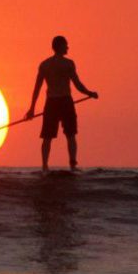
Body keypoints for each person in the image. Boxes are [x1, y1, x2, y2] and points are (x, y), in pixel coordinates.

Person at [25, 36, 98, 173]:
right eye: (66, 45)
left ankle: (45, 166)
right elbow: (77, 84)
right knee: (70, 135)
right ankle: (72, 165)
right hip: (64, 101)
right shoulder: (68, 64)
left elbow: (37, 89)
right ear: (59, 46)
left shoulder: (44, 64)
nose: (68, 48)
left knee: (47, 137)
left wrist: (32, 109)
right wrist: (90, 93)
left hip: (51, 103)